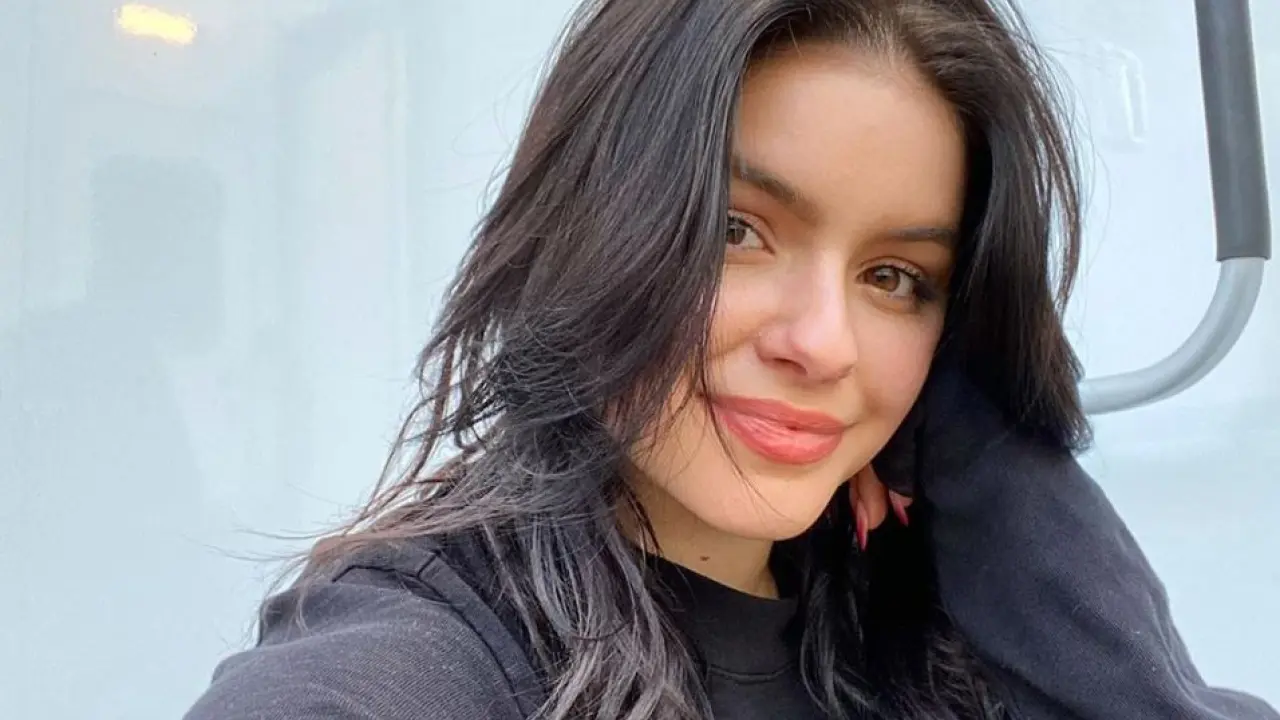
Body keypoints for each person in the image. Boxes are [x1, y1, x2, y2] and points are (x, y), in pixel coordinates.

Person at [186, 0, 1278, 718]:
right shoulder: (433, 654)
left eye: (896, 277)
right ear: (590, 227)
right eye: (735, 230)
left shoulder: (921, 634)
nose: (822, 343)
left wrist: (985, 453)